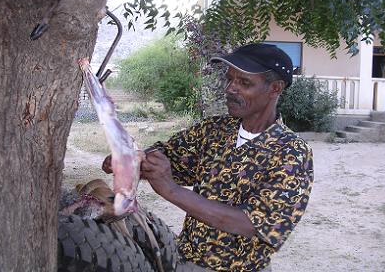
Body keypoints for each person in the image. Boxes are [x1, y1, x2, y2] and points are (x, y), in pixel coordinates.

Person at [105, 43, 314, 271]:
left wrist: (171, 190)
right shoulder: (213, 130)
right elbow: (169, 159)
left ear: (275, 88)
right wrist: (130, 161)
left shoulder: (291, 153)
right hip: (184, 260)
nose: (231, 88)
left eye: (244, 82)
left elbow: (250, 223)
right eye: (230, 79)